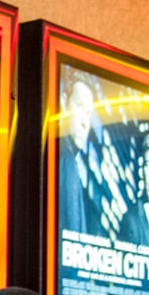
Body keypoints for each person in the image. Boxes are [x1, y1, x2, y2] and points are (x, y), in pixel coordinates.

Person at [57, 70, 103, 239]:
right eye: (79, 105)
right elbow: (71, 236)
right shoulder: (65, 157)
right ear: (63, 102)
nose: (85, 122)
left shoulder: (67, 157)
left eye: (88, 113)